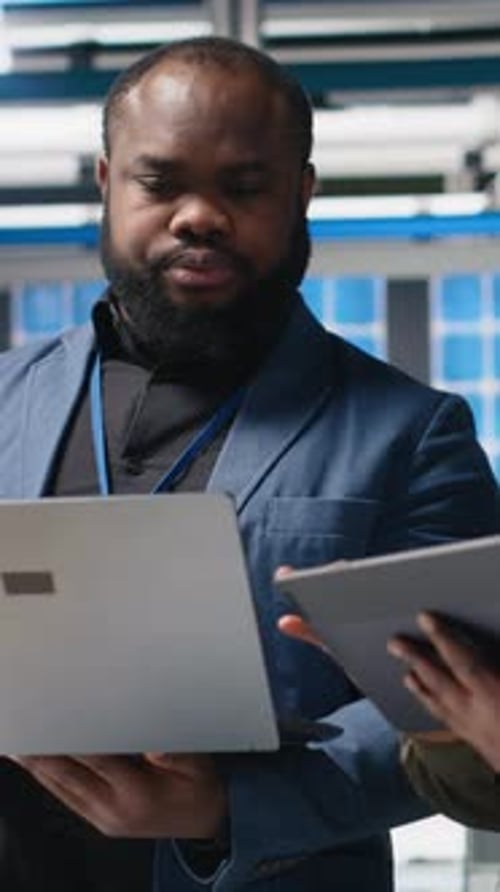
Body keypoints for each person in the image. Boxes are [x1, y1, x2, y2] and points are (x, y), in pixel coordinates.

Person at [0, 34, 497, 892]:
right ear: (107, 183)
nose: (198, 215)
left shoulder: (412, 433)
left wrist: (230, 805)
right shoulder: (7, 397)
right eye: (160, 182)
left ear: (301, 193)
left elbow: (457, 712)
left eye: (245, 186)